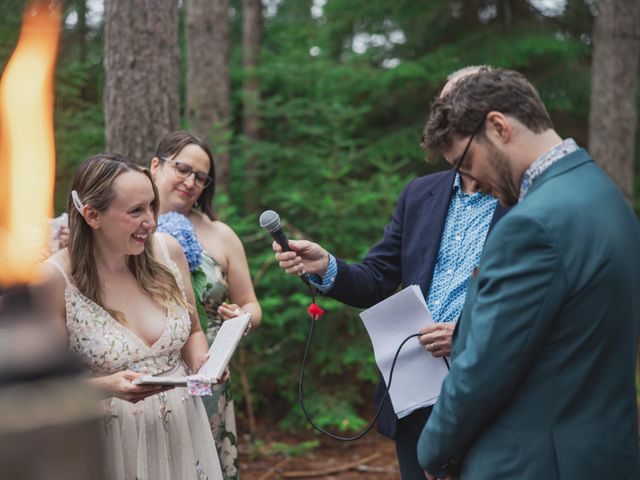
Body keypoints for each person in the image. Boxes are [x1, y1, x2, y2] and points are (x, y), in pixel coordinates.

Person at [272, 68, 509, 479]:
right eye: (445, 107)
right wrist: (326, 265)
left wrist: (468, 334)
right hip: (416, 393)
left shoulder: (524, 196)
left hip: (492, 392)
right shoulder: (421, 193)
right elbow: (378, 278)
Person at [417, 68, 640, 479]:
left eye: (466, 162)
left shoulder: (531, 225)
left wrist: (433, 450)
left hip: (532, 462)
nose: (472, 182)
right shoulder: (606, 196)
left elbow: (483, 370)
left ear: (499, 126)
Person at [34, 153, 224, 480]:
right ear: (93, 215)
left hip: (183, 431)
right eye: (136, 211)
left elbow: (193, 330)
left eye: (151, 206)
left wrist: (203, 363)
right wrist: (106, 386)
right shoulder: (53, 279)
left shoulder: (168, 252)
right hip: (107, 443)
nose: (150, 221)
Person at [150, 131, 262, 480]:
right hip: (153, 371)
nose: (191, 182)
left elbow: (251, 305)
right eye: (183, 169)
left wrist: (242, 318)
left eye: (201, 177)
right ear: (156, 166)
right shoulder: (127, 226)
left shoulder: (221, 234)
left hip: (209, 372)